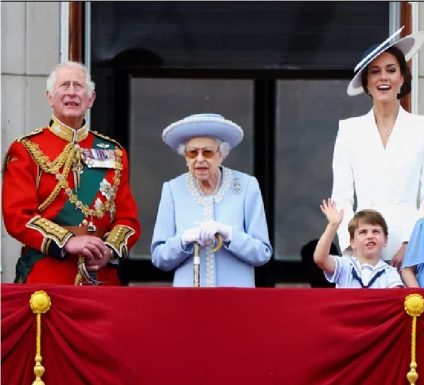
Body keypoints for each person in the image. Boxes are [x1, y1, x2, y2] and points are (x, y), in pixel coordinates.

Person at [2, 61, 141, 285]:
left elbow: (128, 220)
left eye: (78, 86)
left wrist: (109, 249)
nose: (71, 92)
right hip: (47, 275)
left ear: (90, 99)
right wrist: (67, 241)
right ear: (49, 97)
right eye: (64, 85)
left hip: (102, 277)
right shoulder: (26, 149)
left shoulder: (114, 153)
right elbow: (17, 216)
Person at [331, 26, 424, 269]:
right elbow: (342, 196)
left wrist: (410, 243)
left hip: (411, 249)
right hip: (363, 247)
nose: (383, 77)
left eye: (391, 70)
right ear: (366, 82)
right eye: (375, 72)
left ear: (402, 78)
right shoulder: (349, 130)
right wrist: (353, 246)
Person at [151, 113, 272, 287]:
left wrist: (229, 233)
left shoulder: (246, 186)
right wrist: (183, 240)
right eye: (192, 153)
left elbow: (262, 254)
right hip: (188, 301)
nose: (199, 159)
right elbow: (159, 258)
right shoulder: (173, 189)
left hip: (235, 300)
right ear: (185, 157)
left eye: (207, 152)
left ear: (221, 155)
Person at [313, 199, 403, 288]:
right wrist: (333, 225)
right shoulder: (344, 265)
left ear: (385, 240)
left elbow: (395, 298)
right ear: (352, 242)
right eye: (363, 232)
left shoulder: (390, 273)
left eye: (375, 231)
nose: (370, 236)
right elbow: (320, 259)